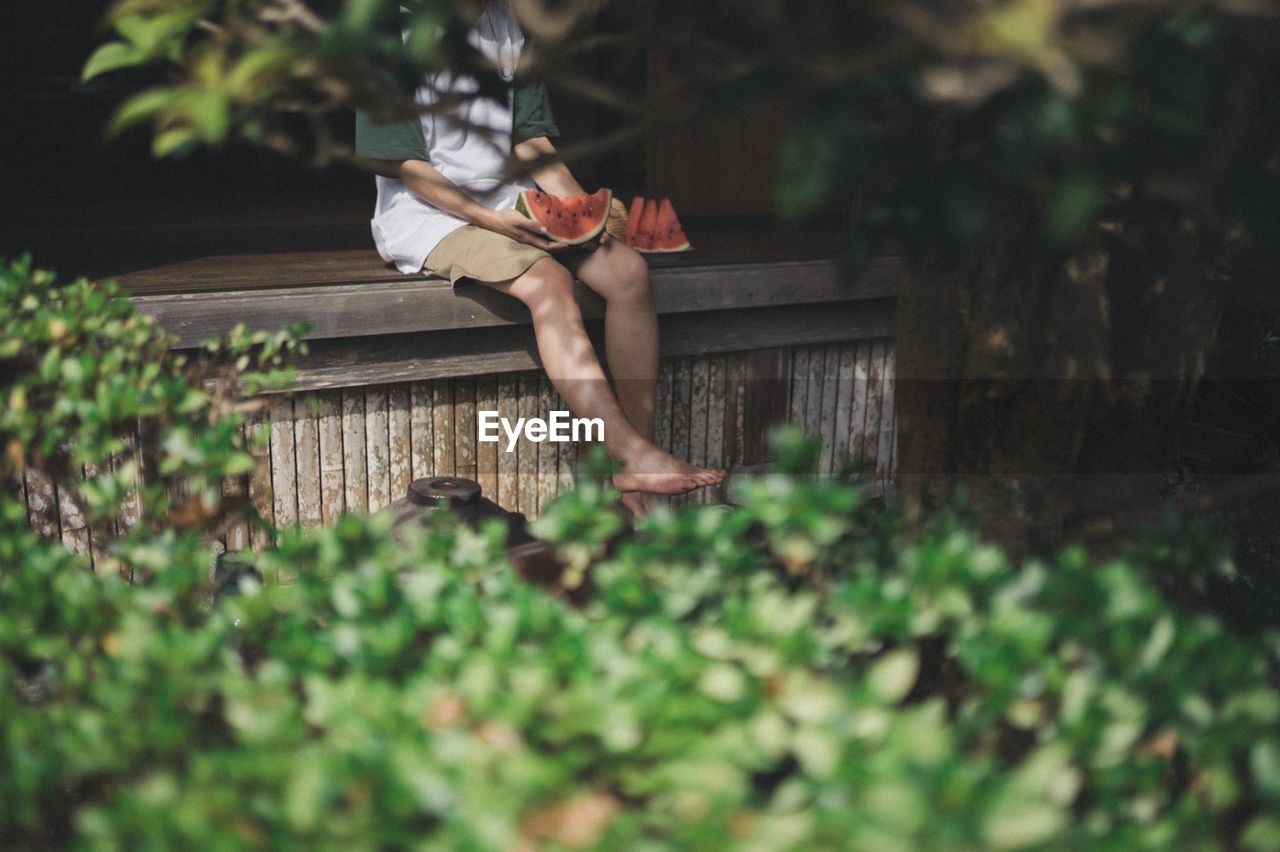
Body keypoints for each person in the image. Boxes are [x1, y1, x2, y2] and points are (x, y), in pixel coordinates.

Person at [355, 1, 724, 508]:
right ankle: (629, 452)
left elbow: (532, 143)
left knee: (629, 272)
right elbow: (407, 165)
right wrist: (488, 220)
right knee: (547, 280)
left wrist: (583, 212)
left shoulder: (505, 24)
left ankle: (639, 467)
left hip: (507, 201)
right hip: (428, 215)